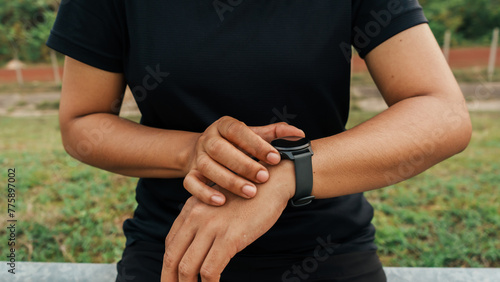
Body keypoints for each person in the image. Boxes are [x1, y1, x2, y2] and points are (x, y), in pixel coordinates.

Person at [47, 0, 471, 281]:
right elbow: (82, 122)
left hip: (327, 249)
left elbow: (443, 113)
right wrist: (196, 153)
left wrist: (290, 173)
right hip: (176, 247)